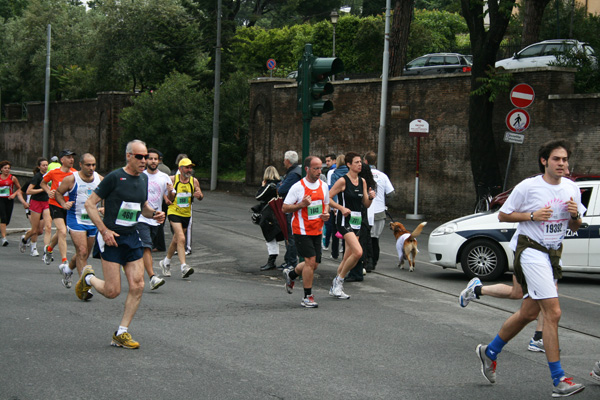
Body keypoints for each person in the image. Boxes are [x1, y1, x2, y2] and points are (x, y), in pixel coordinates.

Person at [474, 139, 586, 397]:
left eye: (565, 159)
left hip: (552, 255)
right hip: (531, 251)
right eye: (557, 159)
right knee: (553, 312)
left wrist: (574, 216)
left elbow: (574, 227)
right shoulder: (529, 186)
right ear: (544, 161)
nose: (562, 164)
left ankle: (489, 351)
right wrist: (532, 216)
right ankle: (559, 379)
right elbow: (503, 215)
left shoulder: (571, 188)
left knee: (527, 313)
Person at [77, 139, 165, 349]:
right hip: (112, 238)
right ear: (129, 156)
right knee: (112, 291)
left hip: (132, 237)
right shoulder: (115, 177)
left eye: (146, 156)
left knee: (138, 285)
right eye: (139, 156)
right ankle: (88, 278)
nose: (144, 160)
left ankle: (121, 332)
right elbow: (90, 204)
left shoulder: (143, 179)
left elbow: (141, 207)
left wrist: (154, 214)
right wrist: (104, 230)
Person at [282, 156, 330, 308]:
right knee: (309, 262)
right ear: (307, 169)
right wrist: (302, 204)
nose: (319, 171)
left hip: (317, 229)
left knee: (314, 264)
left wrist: (326, 214)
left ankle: (291, 275)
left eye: (320, 168)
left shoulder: (323, 186)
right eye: (315, 168)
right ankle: (307, 296)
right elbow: (285, 207)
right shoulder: (298, 187)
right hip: (301, 230)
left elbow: (326, 204)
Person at [327, 152, 376, 299]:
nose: (360, 164)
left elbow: (365, 204)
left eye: (360, 162)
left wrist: (371, 198)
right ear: (349, 164)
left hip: (357, 220)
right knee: (358, 252)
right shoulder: (343, 181)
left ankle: (335, 286)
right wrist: (340, 208)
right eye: (356, 162)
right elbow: (327, 197)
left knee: (347, 256)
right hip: (344, 220)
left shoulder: (362, 181)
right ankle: (339, 281)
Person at [54, 153, 103, 292]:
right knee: (81, 251)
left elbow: (107, 192)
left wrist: (104, 206)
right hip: (75, 219)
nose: (91, 168)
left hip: (93, 220)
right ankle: (84, 285)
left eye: (93, 165)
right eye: (88, 165)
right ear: (80, 165)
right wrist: (63, 204)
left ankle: (68, 269)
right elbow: (58, 192)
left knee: (85, 253)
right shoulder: (71, 179)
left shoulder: (99, 178)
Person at [459, 276, 546, 353]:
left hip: (546, 260)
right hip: (531, 259)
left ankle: (539, 337)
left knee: (546, 294)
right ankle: (476, 289)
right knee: (518, 293)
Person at [160, 157, 203, 279]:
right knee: (181, 238)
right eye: (187, 167)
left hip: (186, 214)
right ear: (180, 169)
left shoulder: (194, 181)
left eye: (191, 168)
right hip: (174, 211)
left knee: (176, 239)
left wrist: (199, 195)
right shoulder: (173, 179)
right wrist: (167, 197)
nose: (189, 170)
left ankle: (166, 262)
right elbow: (164, 192)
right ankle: (184, 266)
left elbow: (200, 195)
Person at [138, 148, 173, 289]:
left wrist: (171, 192)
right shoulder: (141, 175)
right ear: (146, 160)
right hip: (141, 217)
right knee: (147, 247)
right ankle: (152, 277)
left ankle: (130, 262)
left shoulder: (164, 177)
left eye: (155, 158)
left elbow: (169, 200)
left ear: (159, 160)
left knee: (145, 247)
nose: (153, 161)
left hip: (156, 218)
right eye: (150, 158)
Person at [40, 149, 77, 268]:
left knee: (62, 231)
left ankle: (49, 249)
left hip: (69, 206)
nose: (71, 159)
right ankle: (64, 260)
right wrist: (48, 191)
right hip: (55, 204)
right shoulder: (54, 172)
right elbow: (43, 183)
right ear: (62, 160)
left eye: (72, 157)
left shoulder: (75, 173)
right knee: (62, 231)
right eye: (68, 157)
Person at [363, 151, 395, 272]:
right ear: (375, 161)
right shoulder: (383, 176)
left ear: (365, 161)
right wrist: (382, 201)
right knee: (375, 238)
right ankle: (374, 261)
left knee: (365, 238)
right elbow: (391, 194)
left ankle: (367, 262)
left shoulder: (363, 175)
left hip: (367, 210)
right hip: (379, 212)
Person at [346, 159, 377, 282]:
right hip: (364, 217)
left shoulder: (360, 184)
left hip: (358, 216)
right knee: (362, 243)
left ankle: (356, 271)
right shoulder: (369, 184)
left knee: (355, 245)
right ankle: (361, 267)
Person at [276, 150, 302, 270]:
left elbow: (281, 190)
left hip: (291, 207)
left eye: (284, 160)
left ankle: (291, 262)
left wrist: (278, 185)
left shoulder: (293, 174)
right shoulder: (298, 171)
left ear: (287, 161)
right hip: (296, 207)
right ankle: (289, 260)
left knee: (290, 236)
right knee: (291, 236)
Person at [20, 158, 51, 256]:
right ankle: (26, 240)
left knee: (46, 228)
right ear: (39, 167)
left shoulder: (49, 176)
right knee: (34, 230)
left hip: (46, 203)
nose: (45, 167)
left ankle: (46, 251)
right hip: (36, 203)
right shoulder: (37, 177)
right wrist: (42, 190)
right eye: (43, 165)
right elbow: (29, 191)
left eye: (47, 165)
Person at [254, 166, 283, 271]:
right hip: (279, 213)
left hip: (269, 214)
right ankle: (283, 260)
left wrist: (262, 186)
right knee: (278, 236)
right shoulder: (280, 183)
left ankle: (271, 261)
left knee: (270, 237)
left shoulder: (270, 185)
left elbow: (258, 196)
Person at [0, 160, 29, 246]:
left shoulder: (13, 178)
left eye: (8, 168)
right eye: (5, 168)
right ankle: (4, 238)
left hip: (9, 200)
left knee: (7, 220)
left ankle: (2, 230)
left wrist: (14, 194)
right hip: (0, 199)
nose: (7, 170)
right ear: (1, 169)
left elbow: (20, 188)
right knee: (3, 218)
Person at [322, 153, 336, 251]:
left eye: (328, 161)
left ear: (334, 161)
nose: (327, 163)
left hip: (333, 202)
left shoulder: (331, 172)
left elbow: (330, 189)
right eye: (326, 161)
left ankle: (326, 244)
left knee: (329, 224)